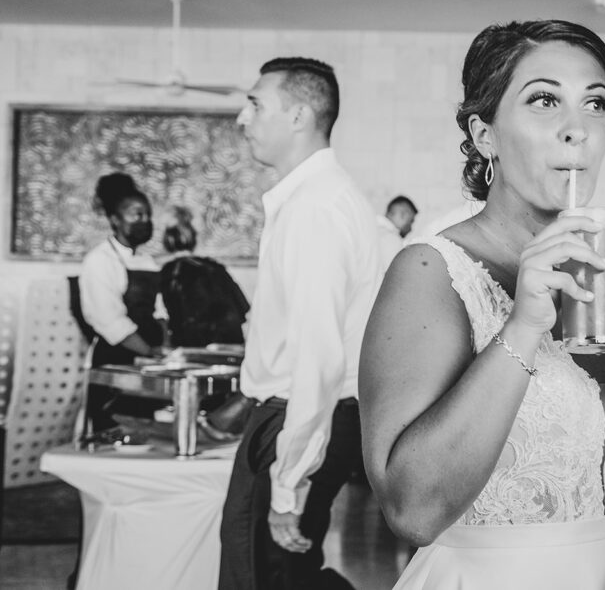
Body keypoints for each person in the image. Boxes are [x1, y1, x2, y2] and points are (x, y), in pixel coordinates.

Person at [361, 20, 605, 590]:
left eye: (596, 104)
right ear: (485, 136)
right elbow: (411, 510)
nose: (576, 129)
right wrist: (525, 325)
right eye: (543, 100)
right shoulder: (432, 272)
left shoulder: (599, 278)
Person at [218, 57, 380, 590]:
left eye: (256, 103)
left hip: (298, 419)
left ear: (299, 116)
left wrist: (288, 483)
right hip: (301, 418)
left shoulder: (315, 208)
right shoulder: (316, 198)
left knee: (265, 577)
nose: (244, 118)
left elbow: (318, 356)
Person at [79, 172, 166, 431]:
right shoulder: (100, 260)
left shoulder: (148, 262)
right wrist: (149, 353)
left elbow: (161, 311)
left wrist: (164, 349)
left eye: (147, 215)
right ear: (115, 220)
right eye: (136, 214)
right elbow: (109, 321)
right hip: (116, 360)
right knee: (116, 431)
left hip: (149, 363)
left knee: (148, 433)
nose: (145, 221)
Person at [159, 206, 249, 348]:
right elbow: (243, 308)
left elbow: (166, 317)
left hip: (193, 348)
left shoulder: (169, 273)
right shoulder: (214, 268)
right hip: (228, 344)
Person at [375, 194, 418, 267]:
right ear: (402, 215)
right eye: (410, 221)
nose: (410, 229)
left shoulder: (371, 228)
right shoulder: (390, 238)